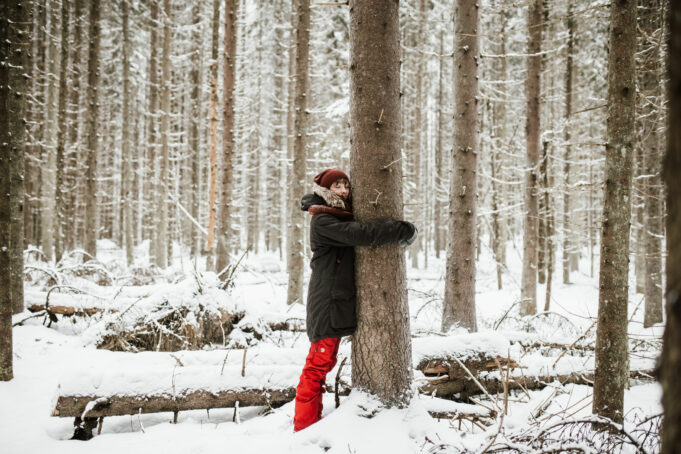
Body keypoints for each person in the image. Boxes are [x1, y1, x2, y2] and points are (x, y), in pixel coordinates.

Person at [293, 168, 417, 432]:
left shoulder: (335, 216)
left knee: (321, 364)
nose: (344, 191)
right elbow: (361, 233)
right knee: (317, 366)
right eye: (337, 186)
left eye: (346, 186)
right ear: (326, 191)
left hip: (335, 302)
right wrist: (400, 229)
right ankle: (304, 428)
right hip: (327, 304)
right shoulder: (324, 221)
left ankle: (309, 424)